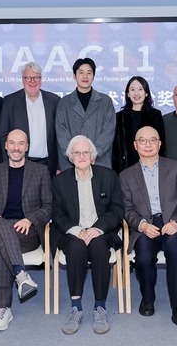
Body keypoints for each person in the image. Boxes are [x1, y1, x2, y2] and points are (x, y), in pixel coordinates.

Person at [120, 126, 177, 334]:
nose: (148, 144)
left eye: (153, 140)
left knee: (176, 250)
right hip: (145, 225)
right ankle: (148, 298)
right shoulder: (126, 175)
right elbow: (127, 209)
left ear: (159, 144)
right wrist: (142, 225)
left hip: (172, 222)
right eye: (142, 140)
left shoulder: (175, 167)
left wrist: (176, 222)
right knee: (143, 256)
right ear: (135, 145)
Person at [51, 135, 124, 335]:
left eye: (86, 153)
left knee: (99, 247)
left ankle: (100, 307)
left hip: (101, 231)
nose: (82, 156)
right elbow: (57, 213)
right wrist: (77, 231)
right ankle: (76, 307)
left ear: (93, 157)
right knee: (76, 247)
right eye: (77, 153)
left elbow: (117, 209)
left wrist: (98, 228)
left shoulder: (109, 176)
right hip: (72, 232)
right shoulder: (59, 181)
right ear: (70, 157)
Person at [0, 129, 52, 331]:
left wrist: (30, 219)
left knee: (4, 243)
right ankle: (20, 275)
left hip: (27, 233)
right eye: (12, 143)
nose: (16, 148)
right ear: (6, 146)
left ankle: (2, 309)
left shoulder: (40, 171)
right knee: (0, 225)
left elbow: (49, 206)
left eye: (21, 144)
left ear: (27, 147)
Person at [0, 62, 61, 177]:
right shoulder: (10, 102)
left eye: (36, 77)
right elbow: (3, 136)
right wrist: (7, 165)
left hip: (49, 166)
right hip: (19, 164)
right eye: (28, 77)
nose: (32, 81)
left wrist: (59, 166)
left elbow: (59, 136)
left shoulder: (54, 101)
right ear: (23, 79)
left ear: (41, 79)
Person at [55, 58, 116, 171]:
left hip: (99, 161)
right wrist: (75, 155)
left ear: (94, 76)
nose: (85, 76)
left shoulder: (105, 101)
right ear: (74, 76)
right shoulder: (64, 103)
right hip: (72, 164)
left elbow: (109, 131)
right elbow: (62, 134)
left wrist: (94, 153)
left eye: (89, 72)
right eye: (81, 72)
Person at [112, 76, 166, 174]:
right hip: (126, 169)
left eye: (140, 89)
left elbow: (161, 145)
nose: (136, 93)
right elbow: (116, 148)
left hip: (151, 168)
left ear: (146, 93)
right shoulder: (119, 117)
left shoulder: (155, 115)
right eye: (132, 90)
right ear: (128, 94)